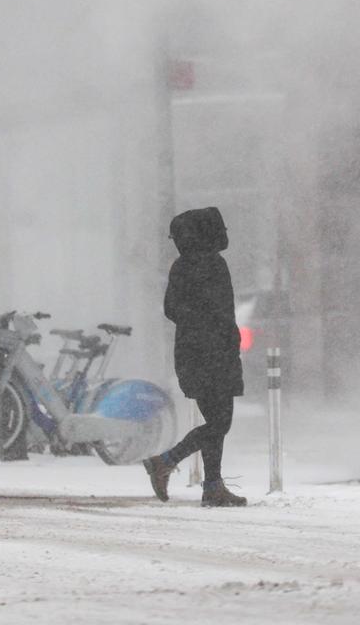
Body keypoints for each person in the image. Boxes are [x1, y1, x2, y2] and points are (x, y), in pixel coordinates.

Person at [143, 206, 246, 507]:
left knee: (215, 420)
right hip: (214, 353)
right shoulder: (214, 264)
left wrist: (196, 325)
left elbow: (171, 309)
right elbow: (222, 313)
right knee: (219, 422)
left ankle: (212, 486)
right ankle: (165, 462)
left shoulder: (182, 265)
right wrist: (214, 332)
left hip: (191, 353)